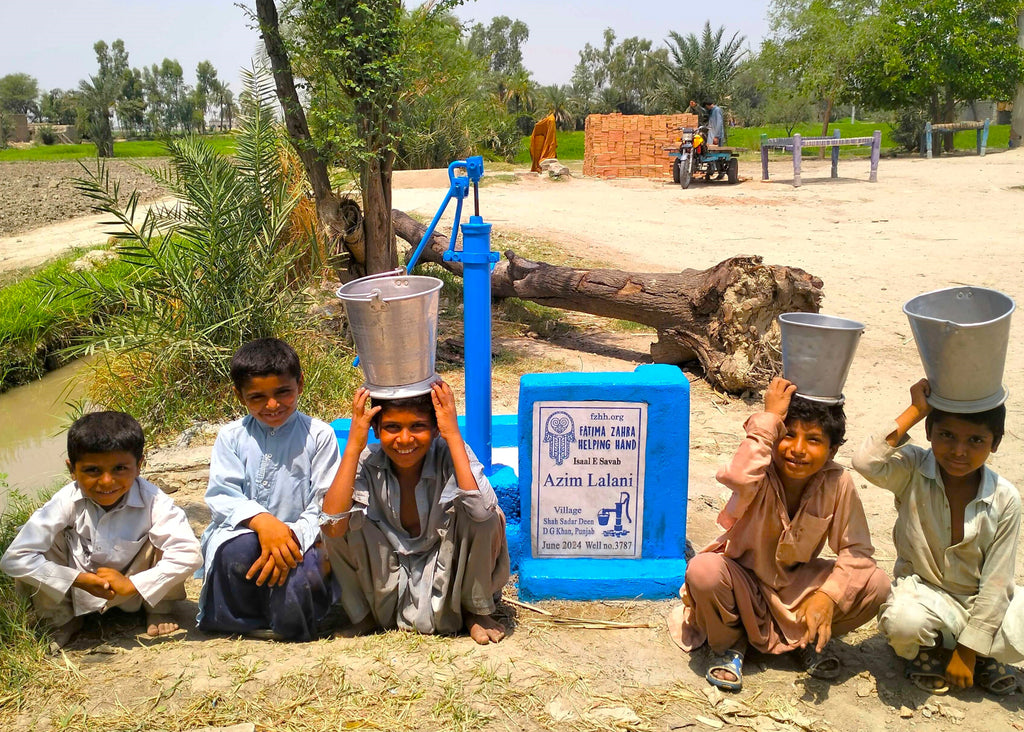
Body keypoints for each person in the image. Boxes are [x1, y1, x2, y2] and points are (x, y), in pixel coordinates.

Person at [668, 377, 889, 691]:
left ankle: (806, 643)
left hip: (793, 590)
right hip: (740, 585)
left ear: (832, 449)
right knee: (703, 570)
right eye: (789, 436)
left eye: (813, 440)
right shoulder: (760, 467)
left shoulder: (838, 483)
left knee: (876, 584)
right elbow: (737, 477)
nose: (797, 450)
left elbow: (857, 552)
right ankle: (732, 644)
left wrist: (828, 597)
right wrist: (769, 419)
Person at [852, 378, 1024, 695]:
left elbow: (998, 581)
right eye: (946, 436)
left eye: (976, 440)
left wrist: (968, 651)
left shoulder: (1005, 498)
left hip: (979, 600)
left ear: (995, 443)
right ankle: (928, 651)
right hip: (924, 593)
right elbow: (865, 462)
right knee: (904, 623)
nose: (959, 451)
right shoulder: (914, 469)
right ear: (929, 433)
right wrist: (916, 410)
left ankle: (979, 652)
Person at [321, 380, 510, 645]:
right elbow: (332, 528)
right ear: (375, 429)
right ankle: (365, 615)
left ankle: (475, 611)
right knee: (337, 517)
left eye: (418, 426)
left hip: (445, 566)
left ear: (435, 429)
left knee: (487, 518)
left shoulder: (451, 453)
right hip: (388, 571)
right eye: (392, 428)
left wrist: (453, 435)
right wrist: (353, 445)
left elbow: (482, 513)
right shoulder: (367, 459)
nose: (405, 439)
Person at [1, 411, 202, 646]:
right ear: (72, 470)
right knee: (46, 539)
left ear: (139, 465)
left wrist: (133, 584)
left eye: (119, 468)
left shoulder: (155, 501)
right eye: (92, 470)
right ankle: (60, 619)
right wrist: (77, 579)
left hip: (134, 592)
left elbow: (189, 553)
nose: (106, 481)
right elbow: (13, 559)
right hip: (79, 591)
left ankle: (159, 609)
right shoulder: (64, 501)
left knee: (165, 541)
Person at [197, 338, 341, 641]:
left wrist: (288, 539)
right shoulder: (231, 437)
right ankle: (241, 622)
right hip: (244, 531)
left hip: (303, 535)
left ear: (300, 384)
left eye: (282, 392)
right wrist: (263, 523)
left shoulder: (320, 435)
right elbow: (222, 495)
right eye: (257, 397)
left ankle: (286, 623)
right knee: (237, 551)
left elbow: (325, 502)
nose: (272, 405)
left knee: (300, 581)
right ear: (239, 396)